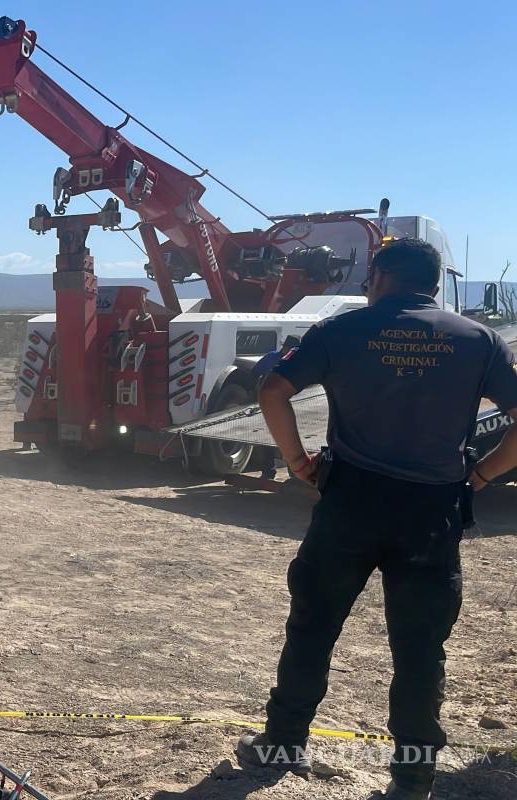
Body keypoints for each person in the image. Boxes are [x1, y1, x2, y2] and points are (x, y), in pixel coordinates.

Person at [236, 238, 517, 799]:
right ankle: (414, 772)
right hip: (431, 513)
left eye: (370, 277)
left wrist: (296, 462)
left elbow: (271, 388)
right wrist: (481, 477)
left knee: (313, 627)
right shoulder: (478, 340)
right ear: (433, 282)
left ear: (384, 276)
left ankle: (283, 743)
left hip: (350, 506)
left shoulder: (342, 330)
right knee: (419, 647)